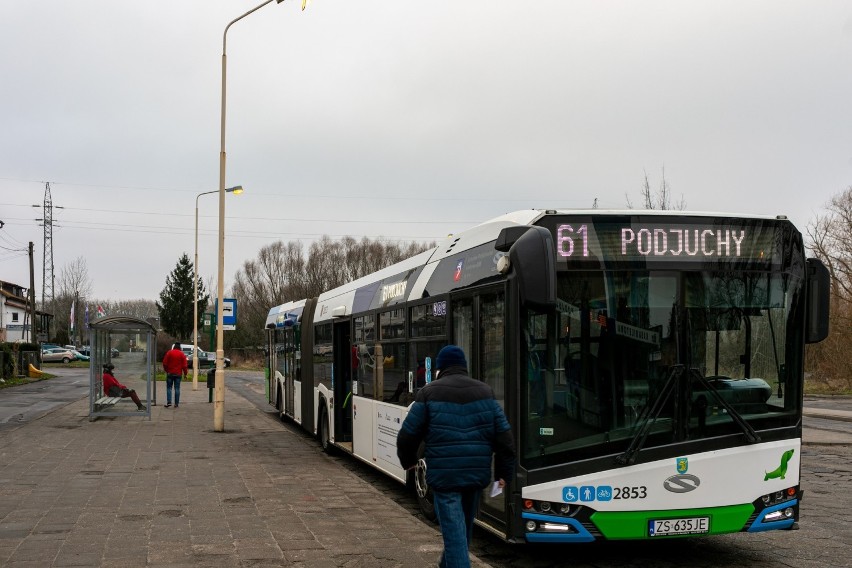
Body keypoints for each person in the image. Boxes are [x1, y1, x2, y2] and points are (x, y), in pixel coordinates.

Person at [397, 345, 515, 568]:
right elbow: (505, 439)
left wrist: (409, 462)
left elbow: (407, 435)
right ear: (464, 367)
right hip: (475, 477)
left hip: (445, 479)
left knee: (455, 538)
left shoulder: (429, 392)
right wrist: (503, 473)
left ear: (440, 368)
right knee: (461, 535)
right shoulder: (485, 392)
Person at [162, 342, 188, 408]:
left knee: (169, 388)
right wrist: (185, 374)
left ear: (174, 347)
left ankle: (169, 402)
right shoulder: (182, 354)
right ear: (180, 348)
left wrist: (166, 370)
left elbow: (164, 363)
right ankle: (176, 404)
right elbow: (184, 366)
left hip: (170, 373)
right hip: (178, 374)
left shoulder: (169, 353)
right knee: (177, 388)